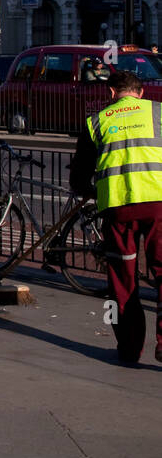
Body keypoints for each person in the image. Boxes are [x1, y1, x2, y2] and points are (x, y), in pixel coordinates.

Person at [70, 70, 162, 365]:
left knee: (123, 280)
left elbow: (80, 175)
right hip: (159, 204)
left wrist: (88, 190)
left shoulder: (97, 122)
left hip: (119, 208)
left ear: (111, 93)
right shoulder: (158, 113)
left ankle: (130, 349)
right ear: (141, 92)